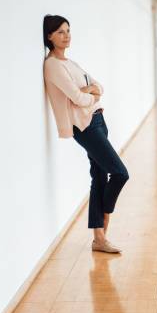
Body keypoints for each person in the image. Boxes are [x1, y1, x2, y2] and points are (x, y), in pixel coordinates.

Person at [42, 14, 129, 253]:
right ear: (49, 36)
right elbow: (78, 97)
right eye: (60, 31)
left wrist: (89, 90)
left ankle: (99, 239)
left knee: (99, 177)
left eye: (68, 30)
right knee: (120, 173)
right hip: (85, 126)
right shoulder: (52, 65)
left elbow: (98, 87)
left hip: (98, 120)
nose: (66, 35)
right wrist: (88, 92)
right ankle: (104, 222)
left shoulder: (72, 64)